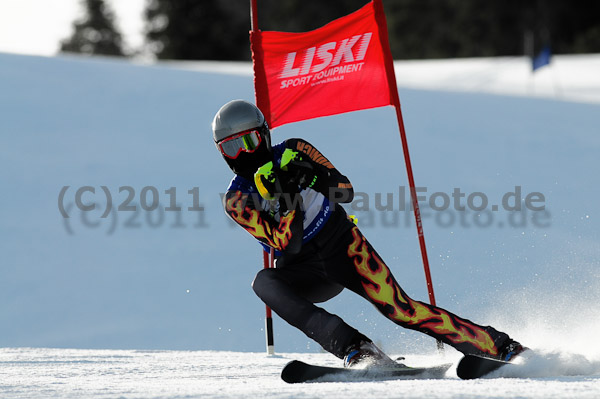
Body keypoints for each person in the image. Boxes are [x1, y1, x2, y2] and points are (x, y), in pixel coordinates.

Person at [212, 99, 524, 367]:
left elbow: (345, 191)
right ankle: (354, 348)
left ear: (264, 135)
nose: (242, 155)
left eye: (248, 142)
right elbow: (287, 245)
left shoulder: (294, 149)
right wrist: (289, 197)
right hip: (303, 268)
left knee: (401, 309)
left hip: (344, 246)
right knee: (264, 283)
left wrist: (312, 176)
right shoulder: (237, 200)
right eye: (231, 148)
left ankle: (498, 346)